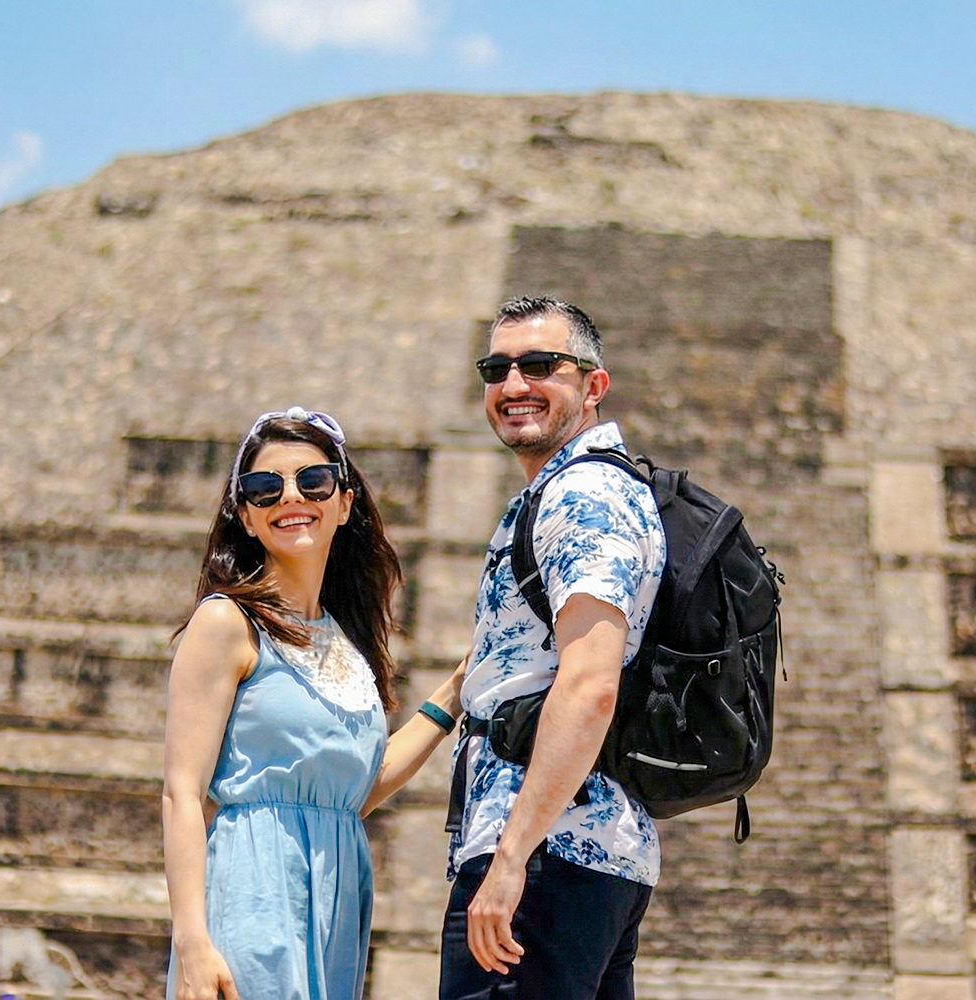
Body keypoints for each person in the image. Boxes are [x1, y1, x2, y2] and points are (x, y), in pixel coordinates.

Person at [163, 407, 464, 1000]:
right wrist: (193, 940)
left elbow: (355, 791)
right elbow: (181, 792)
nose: (290, 497)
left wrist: (451, 697)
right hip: (253, 888)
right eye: (264, 488)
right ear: (246, 518)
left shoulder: (348, 643)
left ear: (345, 503)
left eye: (313, 481)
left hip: (335, 893)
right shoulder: (227, 622)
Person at [441, 298, 667, 1000]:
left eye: (541, 365)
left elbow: (591, 681)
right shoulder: (581, 489)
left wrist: (511, 857)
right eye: (497, 367)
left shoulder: (583, 496)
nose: (514, 385)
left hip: (545, 855)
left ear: (594, 386)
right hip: (590, 854)